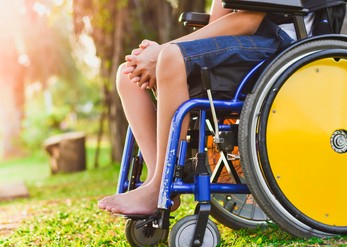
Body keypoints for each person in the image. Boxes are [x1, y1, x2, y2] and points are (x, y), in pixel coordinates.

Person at [98, 0, 312, 215]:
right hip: (246, 41)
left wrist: (163, 52)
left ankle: (158, 188)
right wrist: (155, 57)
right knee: (128, 73)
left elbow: (248, 20)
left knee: (171, 57)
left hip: (276, 42)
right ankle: (159, 183)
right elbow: (218, 23)